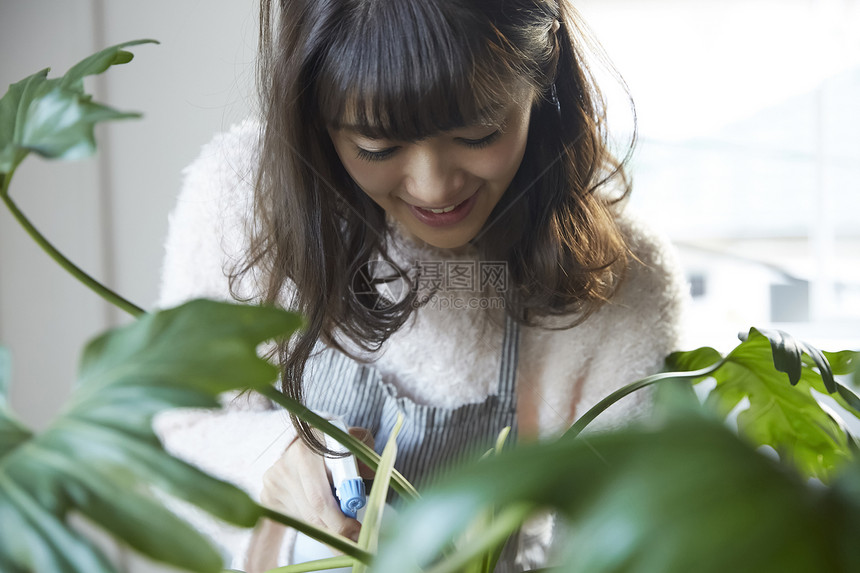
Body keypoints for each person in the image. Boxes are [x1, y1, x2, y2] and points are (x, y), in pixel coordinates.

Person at [155, 0, 687, 570]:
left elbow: (616, 541)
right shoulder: (244, 203)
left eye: (480, 133)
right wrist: (275, 459)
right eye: (378, 148)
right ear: (317, 114)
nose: (434, 187)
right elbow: (179, 427)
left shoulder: (612, 279)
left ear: (543, 71)